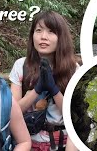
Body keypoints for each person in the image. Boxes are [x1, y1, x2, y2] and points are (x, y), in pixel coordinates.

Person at [9, 11, 78, 151]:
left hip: (62, 143)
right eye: (38, 30)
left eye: (51, 32)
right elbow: (12, 112)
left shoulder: (73, 69)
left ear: (61, 37)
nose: (43, 37)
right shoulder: (21, 66)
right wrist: (37, 89)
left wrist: (54, 90)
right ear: (32, 35)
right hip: (28, 142)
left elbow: (75, 116)